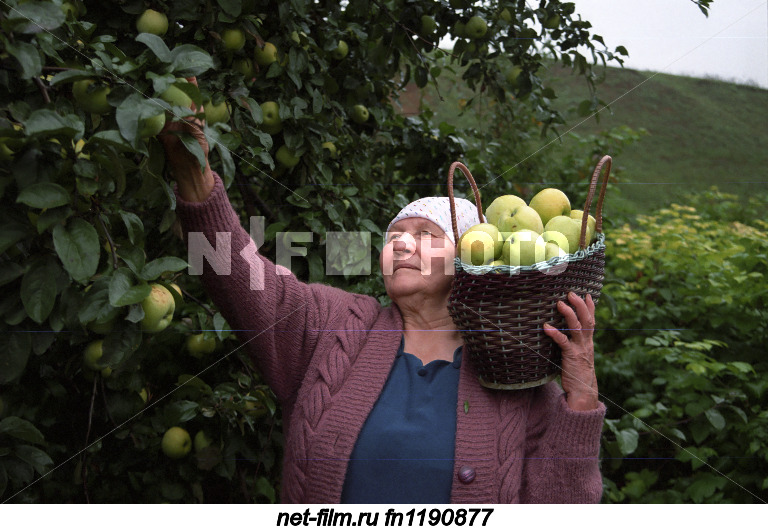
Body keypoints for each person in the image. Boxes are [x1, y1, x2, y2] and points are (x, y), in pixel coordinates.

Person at [159, 80, 605, 504]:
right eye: (394, 235)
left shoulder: (516, 371)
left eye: (427, 234)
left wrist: (582, 394)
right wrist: (193, 175)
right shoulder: (333, 325)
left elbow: (561, 505)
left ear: (471, 260)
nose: (402, 243)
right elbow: (239, 275)